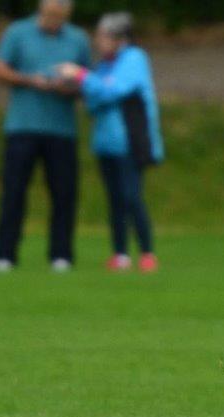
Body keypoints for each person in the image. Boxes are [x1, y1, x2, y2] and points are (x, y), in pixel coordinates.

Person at [58, 12, 163, 273]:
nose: (98, 42)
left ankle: (147, 253)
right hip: (106, 143)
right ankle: (120, 254)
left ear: (120, 39)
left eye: (103, 37)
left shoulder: (134, 59)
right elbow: (96, 99)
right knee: (114, 200)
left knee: (131, 197)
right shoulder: (104, 66)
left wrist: (82, 76)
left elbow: (113, 90)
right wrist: (89, 84)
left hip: (130, 141)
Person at [0, 0, 90, 272]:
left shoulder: (78, 39)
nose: (54, 21)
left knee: (64, 194)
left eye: (60, 17)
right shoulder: (18, 32)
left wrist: (68, 86)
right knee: (13, 192)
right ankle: (4, 255)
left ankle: (61, 255)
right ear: (41, 10)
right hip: (22, 127)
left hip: (62, 130)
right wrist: (30, 80)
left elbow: (88, 81)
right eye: (50, 15)